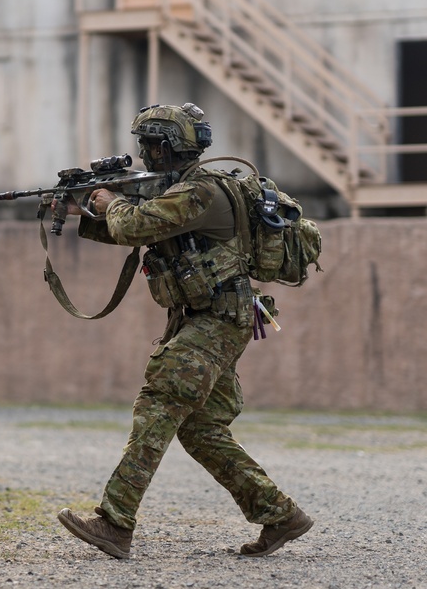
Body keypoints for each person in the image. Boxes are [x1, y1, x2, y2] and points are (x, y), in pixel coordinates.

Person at [54, 103, 313, 559]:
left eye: (149, 144)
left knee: (158, 404)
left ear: (167, 146)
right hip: (211, 318)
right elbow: (134, 227)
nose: (144, 152)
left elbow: (135, 224)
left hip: (215, 320)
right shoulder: (184, 191)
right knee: (199, 428)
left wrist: (111, 203)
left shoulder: (200, 192)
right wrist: (85, 208)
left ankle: (114, 523)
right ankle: (279, 515)